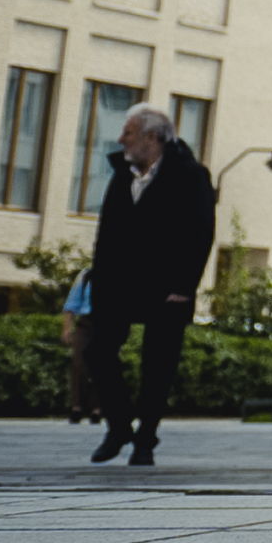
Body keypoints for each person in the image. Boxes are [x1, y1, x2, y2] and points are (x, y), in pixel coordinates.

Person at [81, 102, 213, 468]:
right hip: (118, 284)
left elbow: (201, 233)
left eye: (129, 133)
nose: (121, 140)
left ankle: (145, 441)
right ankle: (120, 425)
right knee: (98, 351)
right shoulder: (122, 174)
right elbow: (106, 233)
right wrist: (98, 280)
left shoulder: (191, 175)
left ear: (152, 138)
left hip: (168, 287)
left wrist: (184, 285)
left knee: (158, 365)